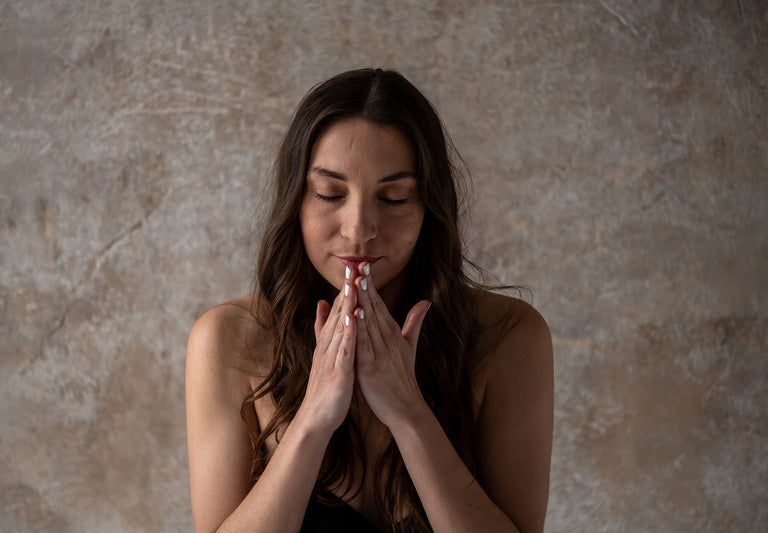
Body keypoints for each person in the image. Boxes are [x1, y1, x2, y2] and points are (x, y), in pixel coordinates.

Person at [185, 68, 553, 533]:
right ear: (295, 202)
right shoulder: (228, 339)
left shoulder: (511, 337)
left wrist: (408, 413)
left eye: (395, 198)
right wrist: (314, 420)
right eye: (329, 193)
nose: (359, 229)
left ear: (429, 207)